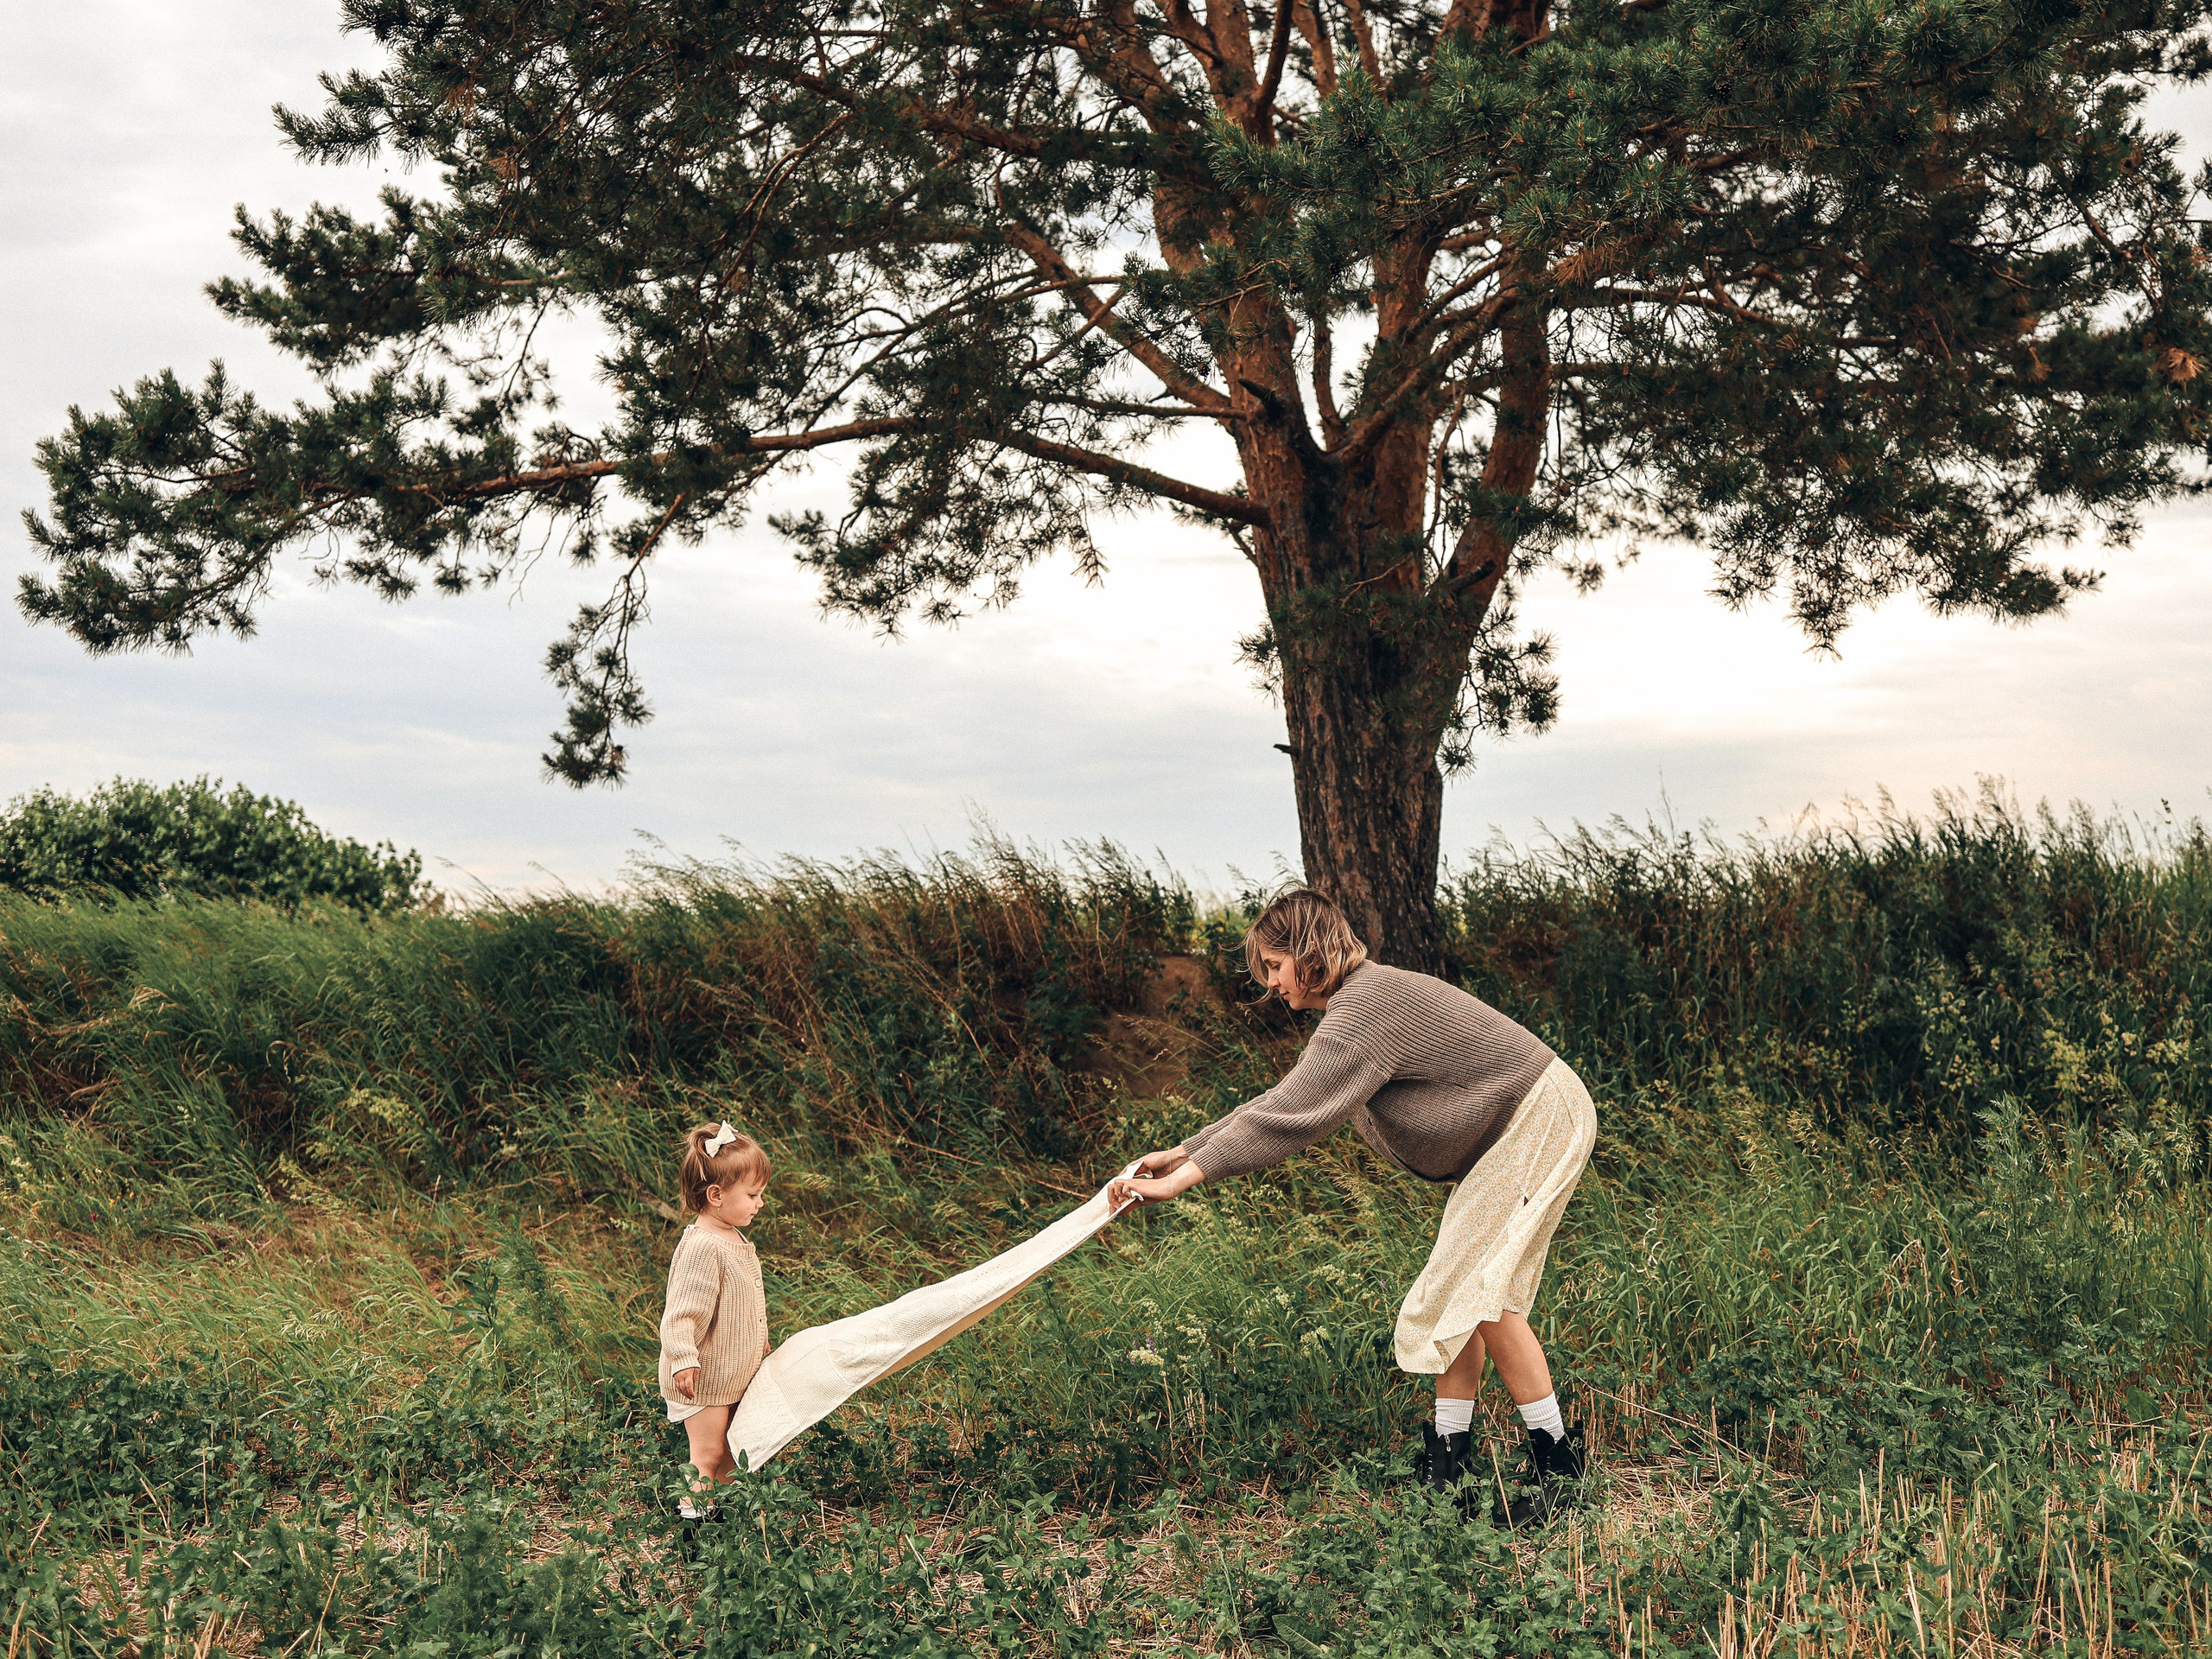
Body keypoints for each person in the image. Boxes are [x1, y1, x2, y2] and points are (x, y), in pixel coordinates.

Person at [1109, 888, 1599, 1526]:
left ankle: (1559, 1469)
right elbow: (1284, 1098)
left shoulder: (1363, 1008)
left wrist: (1181, 1180)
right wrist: (1183, 1151)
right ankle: (1450, 1466)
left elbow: (1288, 1118)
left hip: (1533, 1118)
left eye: (1276, 966)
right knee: (1458, 1292)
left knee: (1484, 1294)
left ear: (1309, 953)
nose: (1271, 985)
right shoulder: (1360, 1004)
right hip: (1513, 1127)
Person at [658, 1122, 772, 1520]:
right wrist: (683, 1356)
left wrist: (760, 1343)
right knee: (706, 1456)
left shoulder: (734, 1237)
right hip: (702, 1377)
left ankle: (719, 1526)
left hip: (732, 1373)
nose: (760, 1203)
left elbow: (744, 1308)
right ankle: (692, 1532)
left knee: (729, 1456)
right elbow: (681, 1312)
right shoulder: (703, 1246)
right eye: (754, 1195)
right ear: (716, 1196)